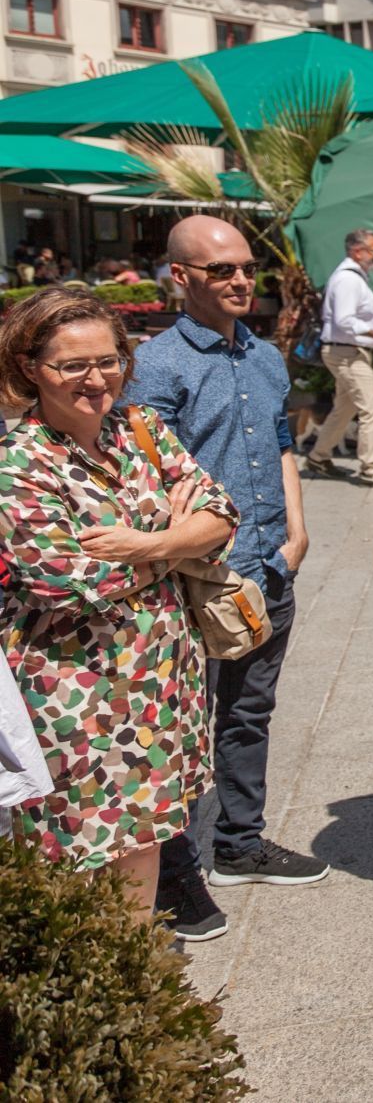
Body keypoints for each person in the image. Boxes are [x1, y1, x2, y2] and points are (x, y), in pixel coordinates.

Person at [0, 289, 237, 920]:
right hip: (75, 695)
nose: (97, 378)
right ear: (30, 367)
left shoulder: (142, 430)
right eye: (73, 365)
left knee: (147, 834)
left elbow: (221, 515)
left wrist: (142, 544)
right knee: (76, 848)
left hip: (161, 679)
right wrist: (175, 547)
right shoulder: (19, 464)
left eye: (110, 360)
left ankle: (141, 975)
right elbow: (66, 580)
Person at [132, 216, 325, 944]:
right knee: (176, 724)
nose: (242, 280)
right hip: (196, 575)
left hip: (269, 562)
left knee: (248, 711)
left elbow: (280, 442)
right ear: (180, 277)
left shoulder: (266, 355)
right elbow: (146, 476)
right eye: (222, 270)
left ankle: (240, 840)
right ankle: (172, 868)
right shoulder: (155, 365)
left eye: (247, 268)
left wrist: (297, 532)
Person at [307, 227, 373, 488]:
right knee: (371, 409)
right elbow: (344, 319)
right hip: (347, 353)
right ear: (358, 251)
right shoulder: (349, 280)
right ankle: (371, 469)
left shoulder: (351, 277)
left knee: (345, 408)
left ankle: (318, 456)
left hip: (346, 351)